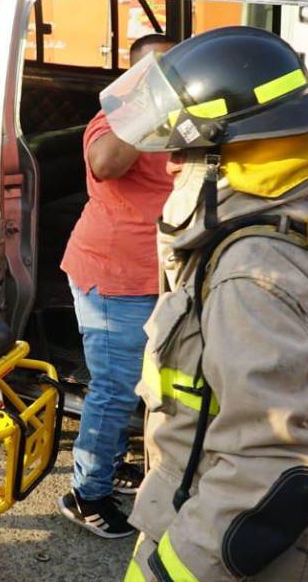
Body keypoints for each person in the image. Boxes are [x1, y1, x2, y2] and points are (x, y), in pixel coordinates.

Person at [101, 26, 308, 582]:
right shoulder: (299, 211)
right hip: (205, 509)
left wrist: (171, 573)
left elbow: (270, 463)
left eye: (185, 148)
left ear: (231, 150)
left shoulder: (252, 275)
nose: (170, 164)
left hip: (231, 556)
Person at [57, 33, 176, 539]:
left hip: (159, 275)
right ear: (134, 79)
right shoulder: (113, 121)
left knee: (152, 383)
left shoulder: (182, 122)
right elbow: (106, 164)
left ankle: (112, 463)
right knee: (113, 388)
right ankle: (85, 494)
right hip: (113, 275)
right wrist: (152, 101)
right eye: (160, 71)